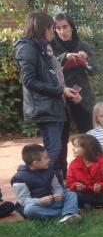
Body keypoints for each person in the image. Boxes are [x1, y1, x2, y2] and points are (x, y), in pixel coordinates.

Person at [13, 11, 81, 178]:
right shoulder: (27, 48)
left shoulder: (43, 47)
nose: (54, 31)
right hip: (44, 107)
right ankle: (30, 181)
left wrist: (63, 89)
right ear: (41, 28)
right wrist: (60, 90)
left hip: (54, 105)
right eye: (51, 28)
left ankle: (55, 184)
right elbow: (29, 81)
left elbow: (49, 74)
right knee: (53, 150)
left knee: (57, 149)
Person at [52, 13, 99, 134]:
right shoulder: (51, 47)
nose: (62, 31)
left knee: (88, 133)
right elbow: (48, 68)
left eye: (65, 27)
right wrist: (65, 57)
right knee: (61, 136)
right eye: (58, 28)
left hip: (82, 95)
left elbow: (95, 70)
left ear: (71, 27)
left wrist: (86, 59)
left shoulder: (83, 45)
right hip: (60, 95)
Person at [10, 144, 80, 223]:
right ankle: (64, 213)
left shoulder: (49, 170)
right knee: (29, 210)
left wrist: (58, 193)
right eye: (46, 158)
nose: (49, 160)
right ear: (36, 163)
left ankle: (68, 213)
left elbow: (56, 186)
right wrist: (40, 201)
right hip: (37, 206)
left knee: (70, 194)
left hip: (52, 201)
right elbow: (23, 201)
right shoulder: (19, 179)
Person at [67, 134, 103, 210]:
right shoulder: (73, 164)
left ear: (87, 148)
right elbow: (70, 181)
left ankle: (93, 203)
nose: (73, 149)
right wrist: (75, 185)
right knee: (73, 195)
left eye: (76, 147)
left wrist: (101, 186)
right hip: (85, 193)